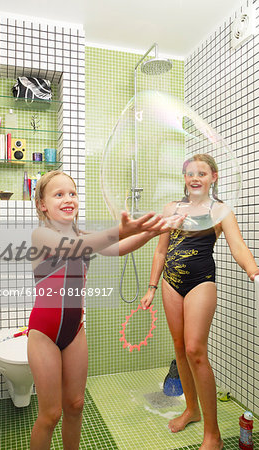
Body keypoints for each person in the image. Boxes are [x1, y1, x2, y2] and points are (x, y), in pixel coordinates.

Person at [27, 170, 184, 450]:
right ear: (42, 204)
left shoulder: (80, 233)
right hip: (44, 333)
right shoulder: (42, 235)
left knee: (75, 405)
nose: (68, 199)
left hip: (74, 330)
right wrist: (122, 229)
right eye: (59, 194)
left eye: (72, 193)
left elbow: (119, 248)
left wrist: (156, 230)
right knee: (50, 414)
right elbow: (77, 248)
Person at [140, 154, 259, 450]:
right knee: (179, 347)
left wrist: (253, 270)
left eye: (201, 173)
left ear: (213, 177)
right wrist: (152, 286)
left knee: (195, 350)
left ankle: (213, 434)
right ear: (184, 178)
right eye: (190, 173)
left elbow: (238, 246)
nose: (195, 178)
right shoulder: (172, 208)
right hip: (170, 282)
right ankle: (191, 409)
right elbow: (160, 251)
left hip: (201, 282)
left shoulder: (220, 212)